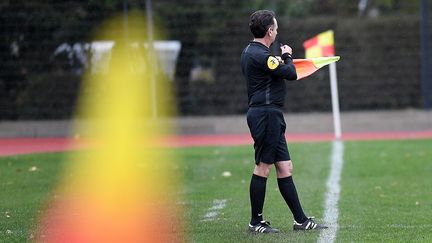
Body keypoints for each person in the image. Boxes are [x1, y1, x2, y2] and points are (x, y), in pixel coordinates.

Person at [240, 10, 328, 233]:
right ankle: (255, 222)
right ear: (270, 31)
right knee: (263, 167)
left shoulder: (253, 52)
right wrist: (287, 55)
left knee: (285, 167)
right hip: (265, 115)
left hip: (271, 115)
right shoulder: (262, 55)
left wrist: (280, 60)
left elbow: (275, 70)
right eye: (276, 28)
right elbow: (290, 73)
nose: (277, 31)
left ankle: (301, 221)